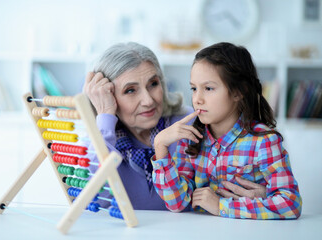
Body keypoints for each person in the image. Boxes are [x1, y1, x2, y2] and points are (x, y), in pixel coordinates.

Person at [83, 42, 266, 210]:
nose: (148, 100)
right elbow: (93, 198)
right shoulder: (101, 137)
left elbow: (255, 167)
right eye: (130, 90)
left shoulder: (197, 122)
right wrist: (105, 114)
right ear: (108, 96)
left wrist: (266, 196)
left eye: (153, 84)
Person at [152, 42, 302, 219]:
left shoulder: (264, 141)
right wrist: (160, 146)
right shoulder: (190, 139)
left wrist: (221, 206)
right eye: (194, 88)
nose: (197, 99)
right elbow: (177, 203)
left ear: (238, 92)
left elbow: (290, 204)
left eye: (208, 88)